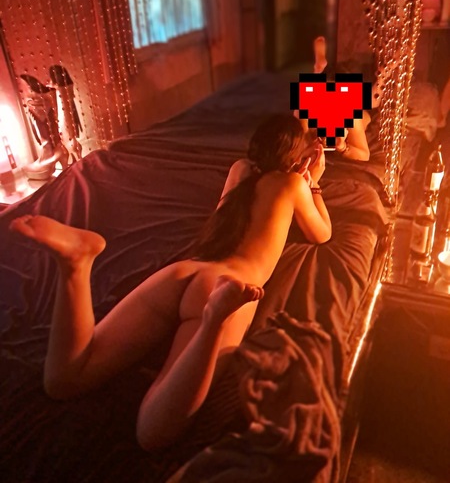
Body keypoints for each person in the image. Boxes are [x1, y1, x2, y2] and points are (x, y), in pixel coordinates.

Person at [9, 114, 331, 451]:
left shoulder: (239, 170)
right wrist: (315, 184)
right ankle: (213, 321)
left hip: (185, 271)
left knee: (63, 381)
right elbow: (321, 233)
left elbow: (225, 214)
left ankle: (76, 265)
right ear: (298, 159)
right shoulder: (292, 185)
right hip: (228, 283)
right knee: (153, 433)